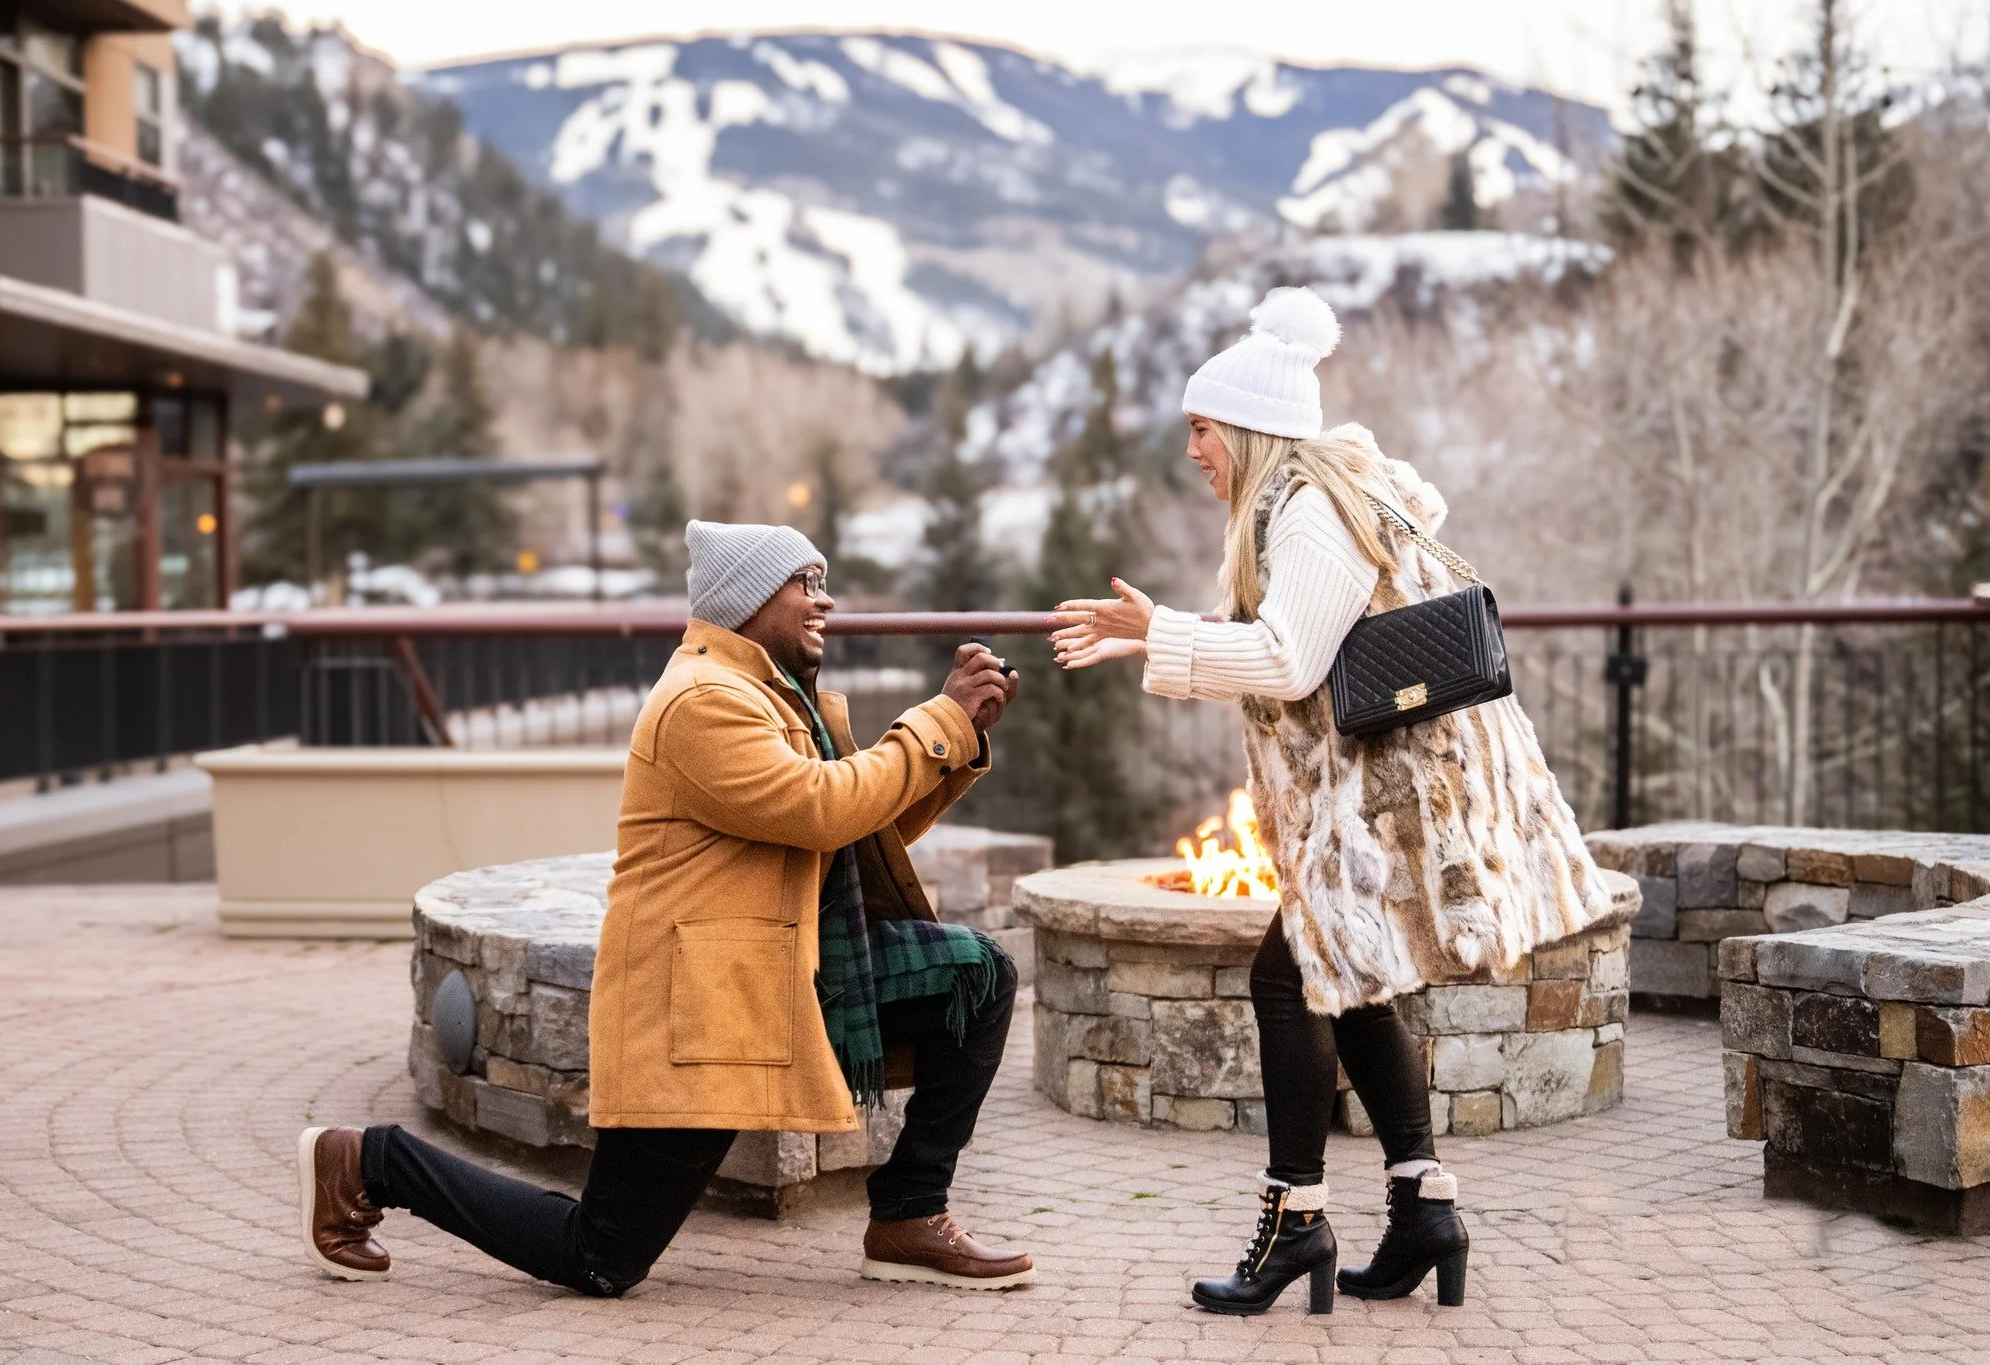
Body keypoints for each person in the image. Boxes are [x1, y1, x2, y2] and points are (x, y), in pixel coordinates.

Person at [1050, 287, 1614, 1316]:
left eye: (1201, 429)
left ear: (1250, 431)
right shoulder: (1294, 506)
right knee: (1342, 981)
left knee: (1294, 978)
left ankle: (1295, 1222)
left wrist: (1158, 635)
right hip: (1380, 791)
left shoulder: (1310, 511)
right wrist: (1154, 636)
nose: (1192, 451)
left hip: (1389, 800)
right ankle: (1421, 1206)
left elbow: (1286, 658)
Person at [295, 520, 1035, 1297]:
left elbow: (847, 835)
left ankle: (909, 1215)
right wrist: (937, 723)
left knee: (974, 977)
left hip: (778, 976)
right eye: (806, 584)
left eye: (824, 582)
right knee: (600, 1255)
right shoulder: (702, 701)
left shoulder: (766, 693)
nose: (827, 599)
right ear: (748, 596)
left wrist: (959, 739)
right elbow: (820, 807)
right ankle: (369, 1161)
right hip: (703, 1010)